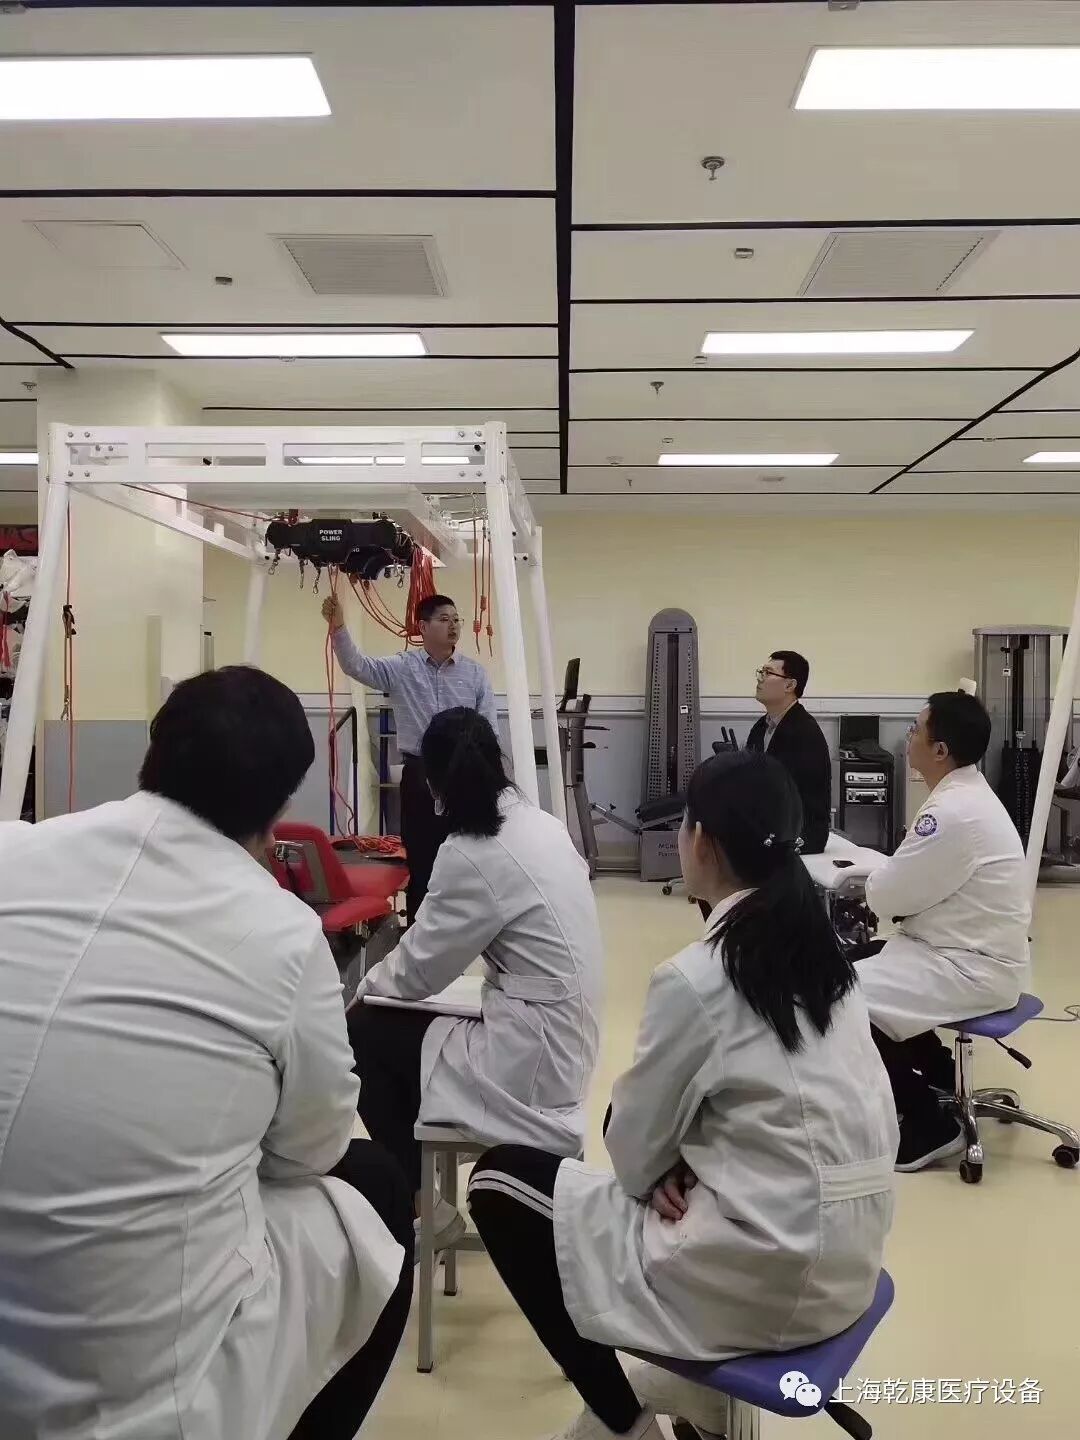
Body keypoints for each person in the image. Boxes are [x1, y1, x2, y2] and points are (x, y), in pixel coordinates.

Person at [0, 666, 412, 1440]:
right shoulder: (283, 935)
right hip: (134, 1393)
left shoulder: (13, 851)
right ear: (281, 807)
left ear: (153, 750)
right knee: (374, 1189)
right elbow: (312, 1149)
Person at [465, 751, 898, 1440]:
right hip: (851, 1262)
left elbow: (633, 1156)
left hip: (763, 1276)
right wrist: (691, 1156)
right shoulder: (829, 963)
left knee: (498, 1183)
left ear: (702, 842)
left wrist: (668, 1161)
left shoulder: (699, 977)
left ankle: (625, 1424)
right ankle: (691, 1398)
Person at [348, 706, 602, 1247]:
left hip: (534, 1056)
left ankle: (422, 1206)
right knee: (405, 1030)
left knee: (362, 1034)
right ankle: (422, 1188)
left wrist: (358, 994)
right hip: (567, 1032)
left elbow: (416, 972)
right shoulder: (540, 824)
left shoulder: (472, 852)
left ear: (434, 786)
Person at [857, 690, 1031, 1172]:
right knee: (854, 962)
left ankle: (929, 1123)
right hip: (967, 952)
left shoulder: (951, 813)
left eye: (915, 728)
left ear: (939, 750)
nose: (907, 737)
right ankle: (939, 1077)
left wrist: (877, 880)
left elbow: (887, 898)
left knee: (834, 995)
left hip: (966, 966)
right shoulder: (968, 795)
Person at [322, 590, 498, 924]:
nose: (453, 626)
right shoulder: (403, 667)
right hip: (420, 774)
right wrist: (339, 627)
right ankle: (419, 930)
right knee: (421, 856)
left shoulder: (475, 674)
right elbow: (356, 665)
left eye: (456, 620)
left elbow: (489, 728)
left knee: (467, 855)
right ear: (423, 627)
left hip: (463, 775)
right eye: (444, 619)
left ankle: (465, 927)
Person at [746, 650, 831, 854]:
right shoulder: (760, 727)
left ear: (789, 685)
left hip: (799, 834)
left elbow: (791, 793)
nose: (760, 678)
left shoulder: (805, 732)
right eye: (761, 672)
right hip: (771, 828)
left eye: (768, 673)